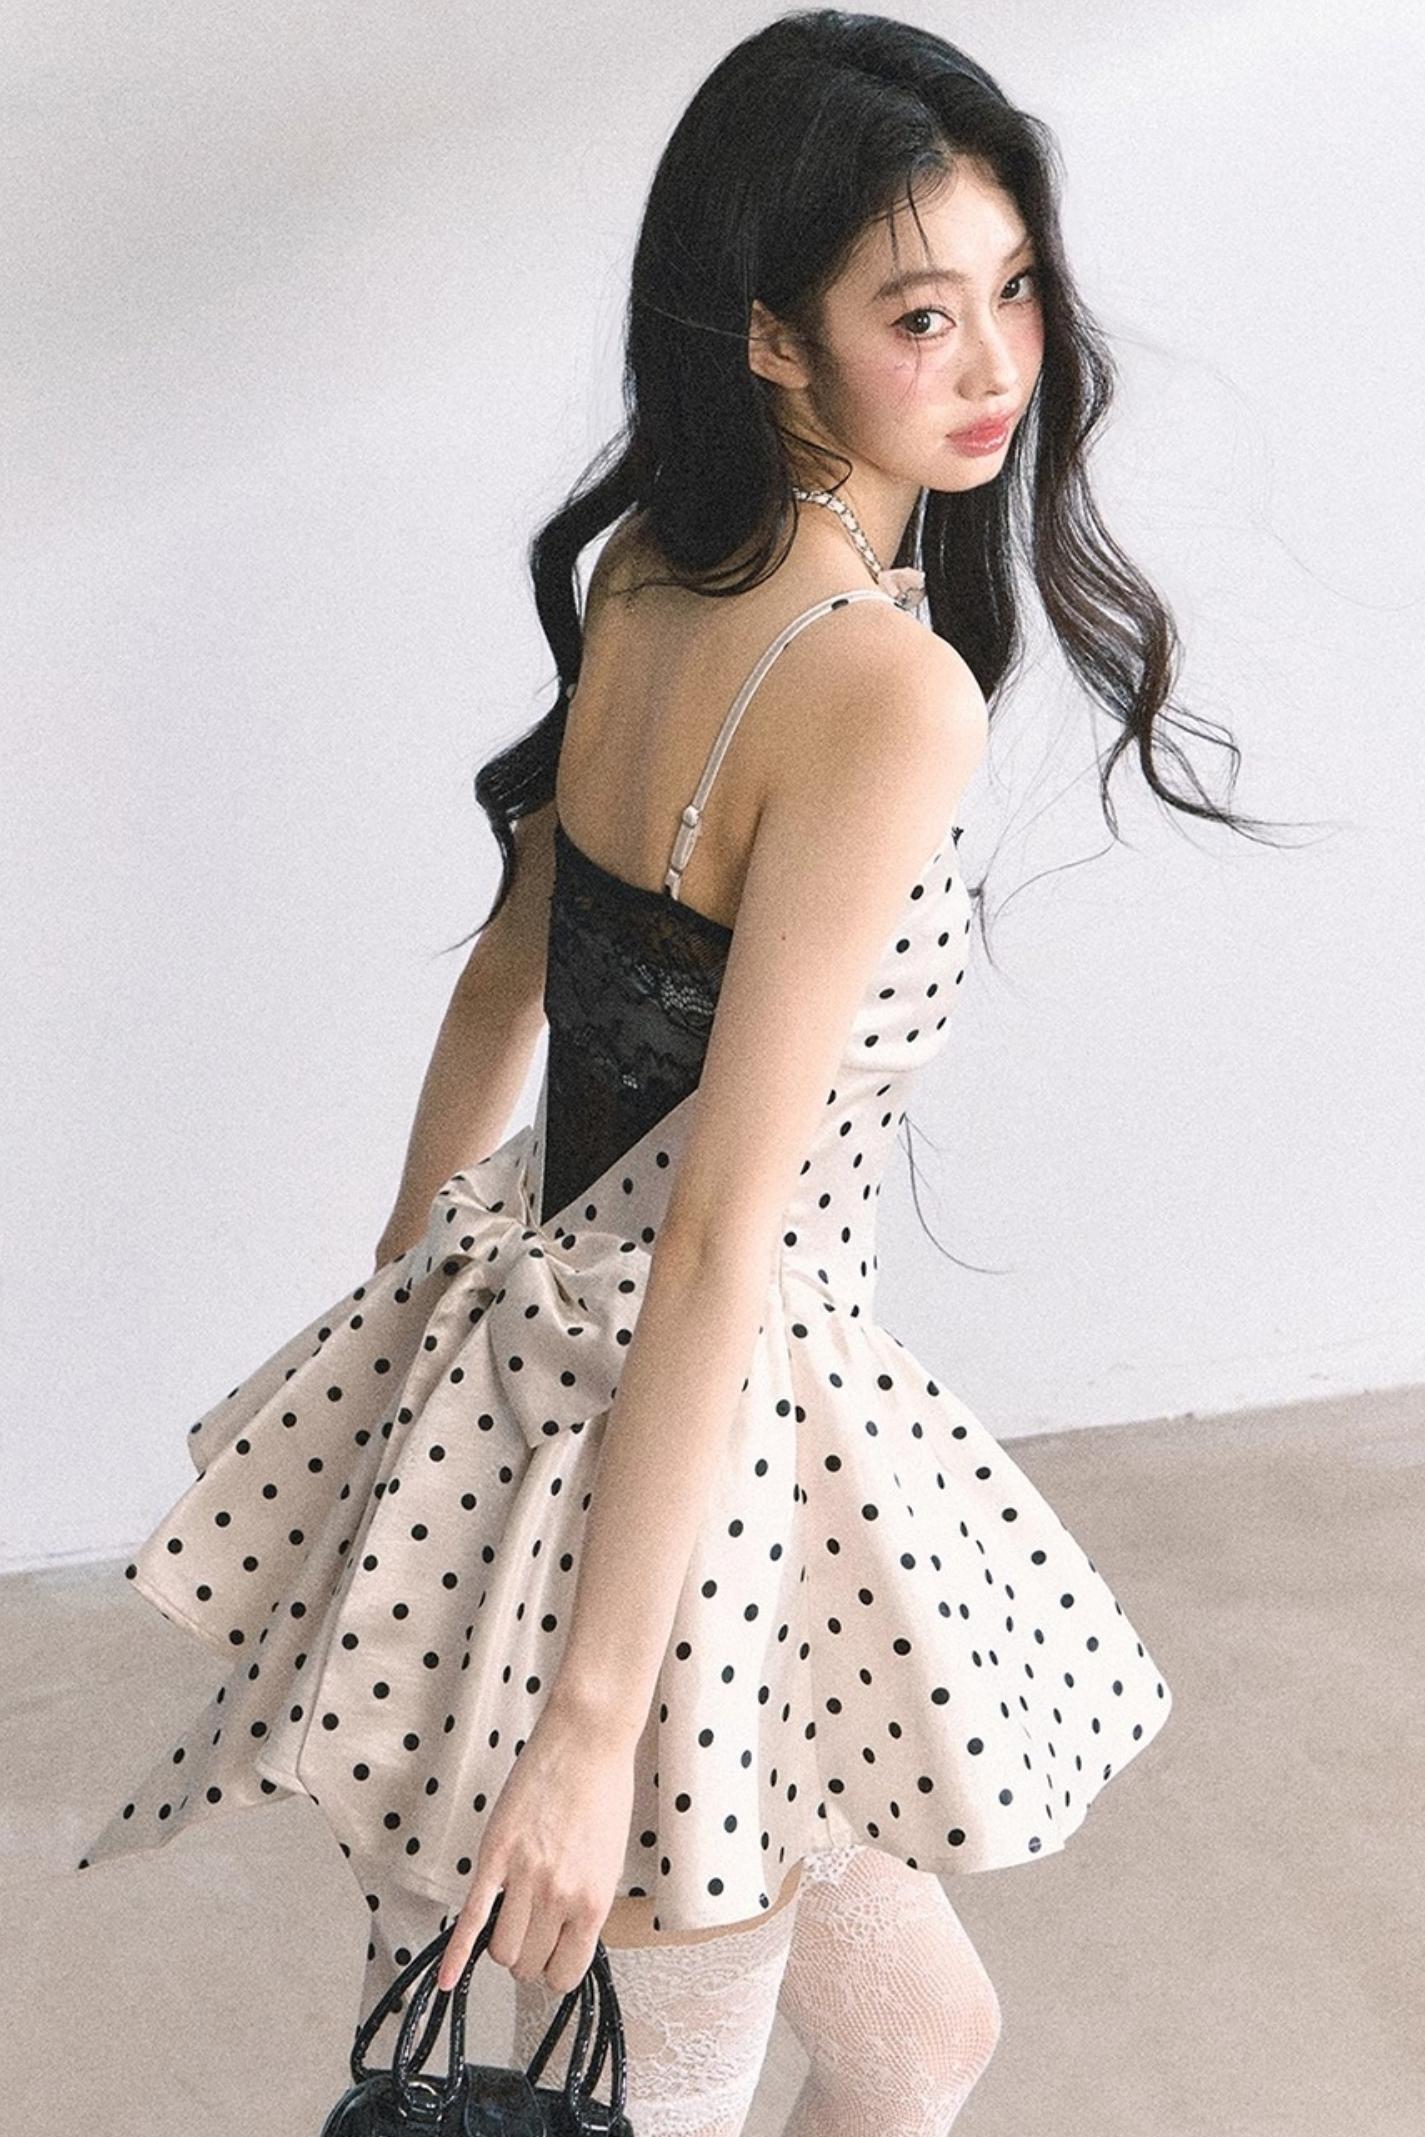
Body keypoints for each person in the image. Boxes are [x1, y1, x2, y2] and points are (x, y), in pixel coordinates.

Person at [76, 13, 1278, 2131]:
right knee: (673, 2074)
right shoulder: (881, 690)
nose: (993, 364)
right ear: (773, 340)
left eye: (1013, 290)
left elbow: (506, 981)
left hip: (560, 1381)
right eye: (918, 313)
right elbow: (723, 1227)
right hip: (702, 1462)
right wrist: (585, 1728)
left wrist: (407, 1328)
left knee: (917, 2035)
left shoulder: (653, 567)